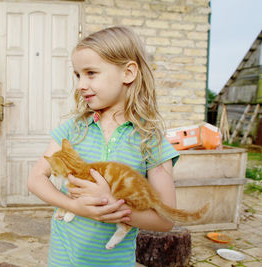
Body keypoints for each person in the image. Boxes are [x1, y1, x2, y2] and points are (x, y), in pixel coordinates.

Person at [27, 26, 180, 266]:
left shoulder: (151, 140)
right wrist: (74, 206)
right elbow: (35, 179)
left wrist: (112, 205)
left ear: (128, 73)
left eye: (91, 73)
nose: (80, 85)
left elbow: (166, 218)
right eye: (78, 75)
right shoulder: (73, 130)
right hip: (63, 257)